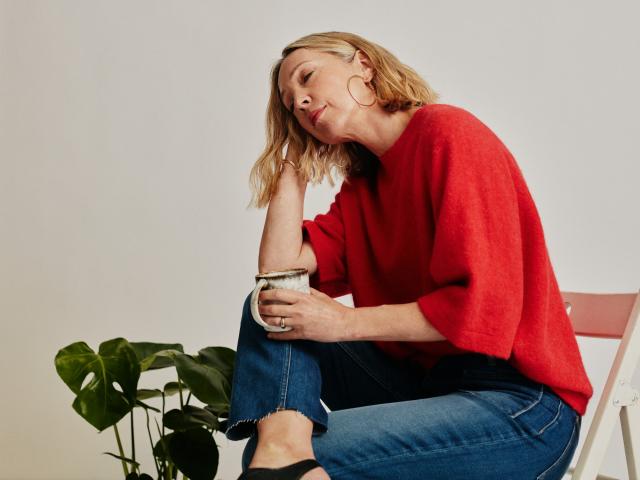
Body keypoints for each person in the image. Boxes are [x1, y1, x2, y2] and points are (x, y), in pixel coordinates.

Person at [224, 31, 594, 480]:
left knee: (314, 460)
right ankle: (284, 451)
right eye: (289, 104)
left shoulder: (449, 135)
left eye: (308, 77)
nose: (300, 102)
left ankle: (286, 461)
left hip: (520, 408)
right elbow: (279, 273)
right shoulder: (364, 186)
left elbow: (486, 313)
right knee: (271, 306)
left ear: (363, 65)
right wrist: (290, 173)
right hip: (428, 387)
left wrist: (343, 323)